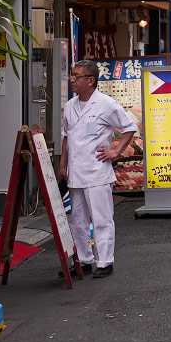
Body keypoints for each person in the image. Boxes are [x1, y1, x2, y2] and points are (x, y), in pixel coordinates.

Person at [60, 59, 135, 278]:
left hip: (96, 171)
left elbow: (129, 127)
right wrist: (62, 163)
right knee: (78, 219)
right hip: (75, 171)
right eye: (72, 75)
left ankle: (105, 261)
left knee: (101, 218)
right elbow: (66, 137)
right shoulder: (70, 106)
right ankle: (83, 260)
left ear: (91, 80)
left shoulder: (106, 104)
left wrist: (116, 151)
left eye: (77, 76)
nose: (72, 80)